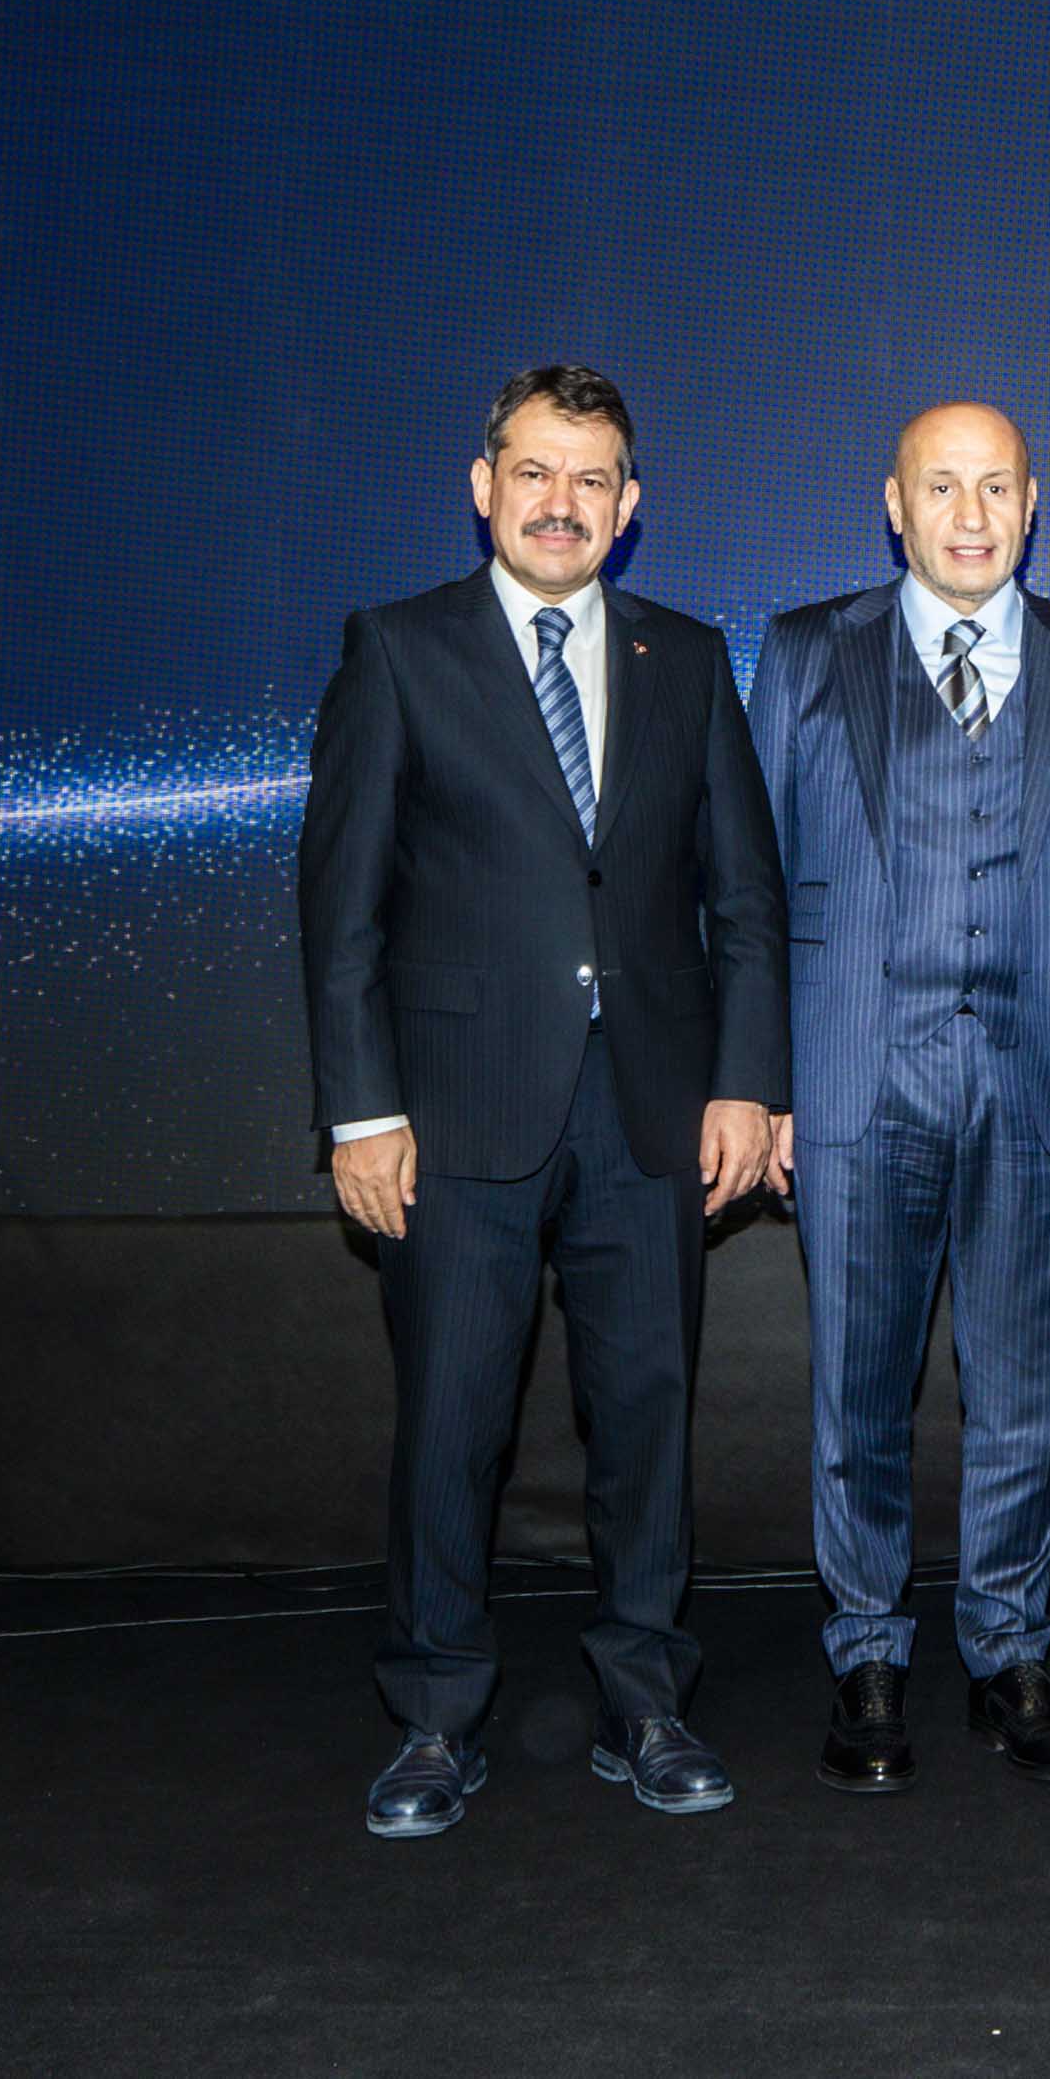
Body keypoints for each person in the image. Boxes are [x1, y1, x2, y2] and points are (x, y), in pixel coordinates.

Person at [299, 363, 790, 1841]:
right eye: (535, 472)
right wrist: (360, 1112)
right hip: (453, 1118)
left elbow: (746, 900)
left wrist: (747, 1082)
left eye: (591, 479)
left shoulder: (685, 658)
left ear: (629, 506)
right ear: (484, 486)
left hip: (650, 1114)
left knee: (645, 1420)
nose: (560, 503)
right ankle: (435, 1718)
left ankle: (646, 1703)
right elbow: (341, 909)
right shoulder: (397, 650)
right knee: (452, 1424)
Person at [751, 401, 1050, 1795]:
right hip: (852, 1077)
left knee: (1020, 1397)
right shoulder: (806, 651)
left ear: (1032, 502)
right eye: (941, 488)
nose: (970, 515)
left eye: (995, 488)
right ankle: (867, 1656)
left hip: (1033, 1077)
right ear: (894, 506)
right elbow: (749, 881)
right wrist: (756, 1084)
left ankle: (1009, 1650)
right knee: (860, 1396)